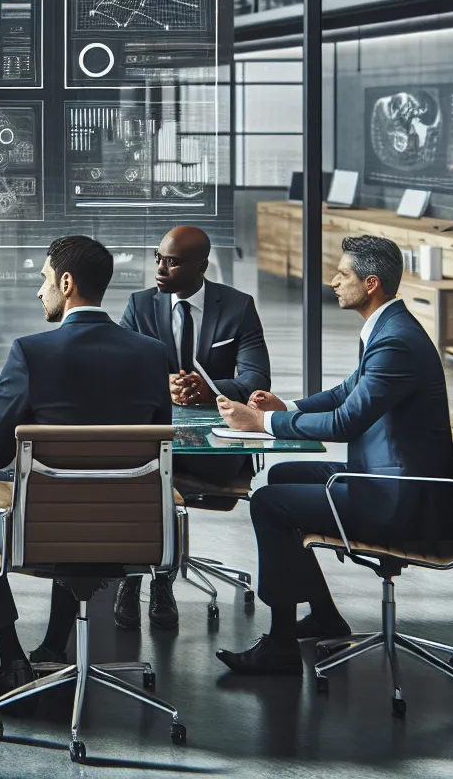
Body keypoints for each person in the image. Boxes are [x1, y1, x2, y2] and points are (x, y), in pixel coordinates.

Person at [0, 236, 174, 706]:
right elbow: (157, 440)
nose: (39, 290)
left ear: (67, 284)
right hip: (132, 531)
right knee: (80, 502)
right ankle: (52, 647)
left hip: (46, 532)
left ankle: (12, 661)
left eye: (44, 279)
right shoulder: (152, 354)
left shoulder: (31, 352)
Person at [214, 234, 453, 676]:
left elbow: (348, 421)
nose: (332, 282)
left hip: (400, 498)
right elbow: (348, 391)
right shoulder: (389, 328)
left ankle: (281, 644)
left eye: (342, 275)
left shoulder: (395, 340)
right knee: (285, 477)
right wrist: (286, 407)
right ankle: (324, 614)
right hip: (389, 477)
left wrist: (261, 424)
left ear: (371, 284)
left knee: (270, 504)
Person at [113, 224, 272, 631]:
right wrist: (159, 382)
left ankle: (144, 575)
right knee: (147, 466)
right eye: (158, 258)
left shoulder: (237, 307)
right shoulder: (141, 305)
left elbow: (257, 379)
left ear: (202, 265)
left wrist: (210, 391)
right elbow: (120, 371)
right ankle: (153, 576)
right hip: (157, 440)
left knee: (147, 472)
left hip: (212, 449)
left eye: (173, 261)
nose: (161, 268)